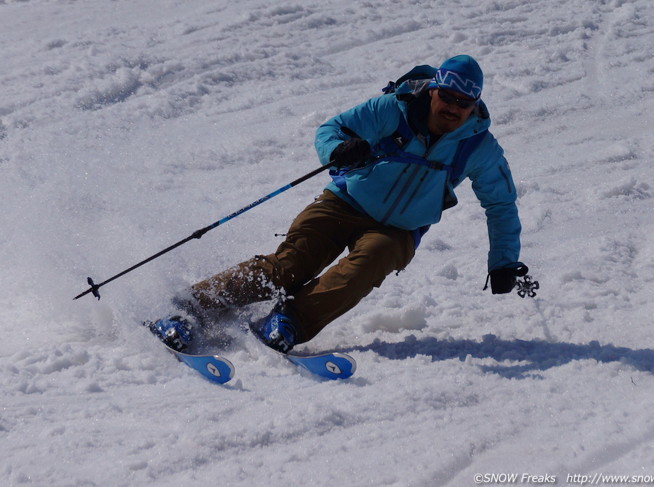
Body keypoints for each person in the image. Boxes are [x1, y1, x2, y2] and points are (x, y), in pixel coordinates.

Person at [150, 55, 528, 354]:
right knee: (290, 265)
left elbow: (501, 204)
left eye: (464, 103)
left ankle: (289, 320)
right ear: (433, 90)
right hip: (346, 200)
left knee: (368, 263)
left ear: (474, 105)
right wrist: (338, 150)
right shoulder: (392, 109)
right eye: (447, 97)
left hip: (397, 229)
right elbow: (331, 129)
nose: (453, 108)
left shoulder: (479, 146)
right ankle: (190, 307)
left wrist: (504, 261)